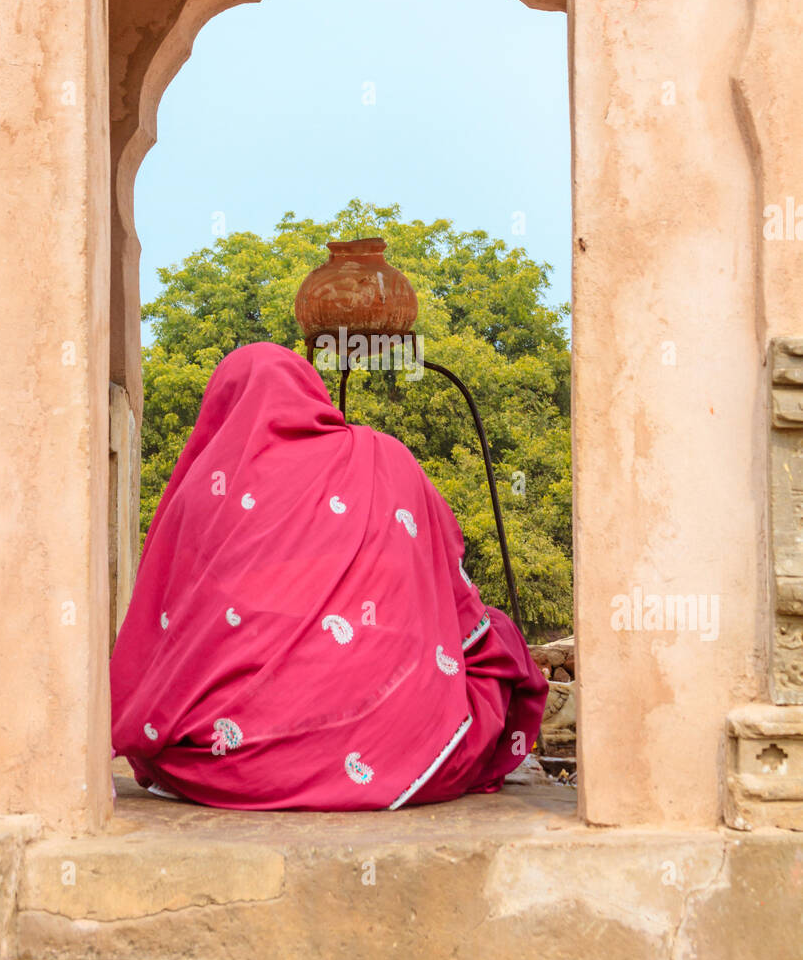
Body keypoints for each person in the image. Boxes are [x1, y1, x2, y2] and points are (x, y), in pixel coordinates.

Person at [110, 342, 547, 810]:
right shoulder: (383, 455)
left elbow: (174, 626)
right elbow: (455, 591)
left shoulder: (202, 492)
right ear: (312, 393)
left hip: (229, 762)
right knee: (497, 637)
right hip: (397, 732)